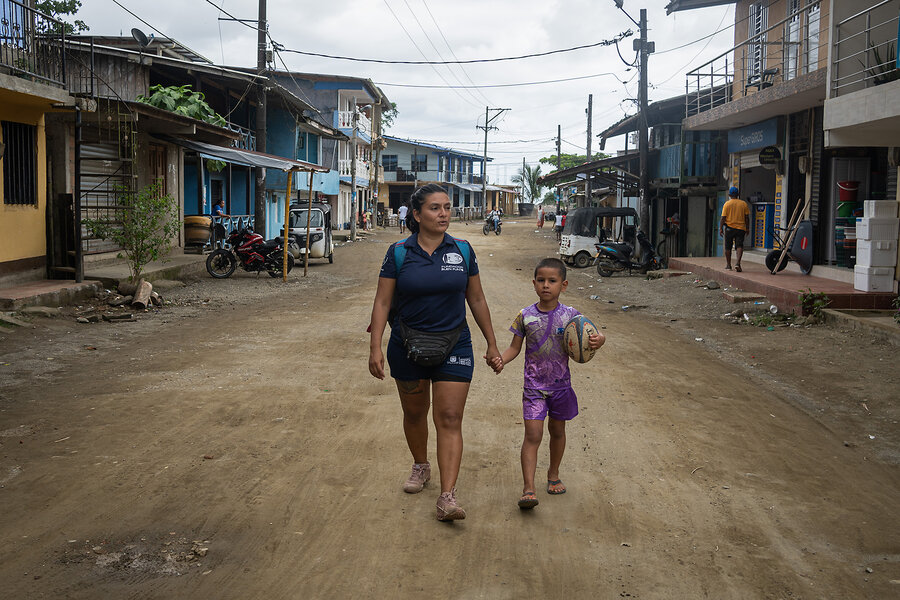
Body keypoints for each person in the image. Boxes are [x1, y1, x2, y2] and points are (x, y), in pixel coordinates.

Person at [368, 183, 502, 522]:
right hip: (406, 344)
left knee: (449, 418)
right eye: (435, 208)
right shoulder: (399, 252)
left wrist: (491, 342)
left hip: (455, 343)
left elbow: (477, 299)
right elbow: (383, 301)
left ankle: (447, 496)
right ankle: (421, 465)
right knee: (415, 415)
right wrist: (375, 347)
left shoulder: (463, 250)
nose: (444, 213)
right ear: (417, 214)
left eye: (447, 207)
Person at [495, 258, 604, 509]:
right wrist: (501, 360)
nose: (546, 285)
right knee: (533, 434)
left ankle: (553, 475)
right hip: (533, 388)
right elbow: (514, 348)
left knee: (558, 432)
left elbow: (594, 335)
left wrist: (601, 339)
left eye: (552, 281)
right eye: (541, 281)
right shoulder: (525, 315)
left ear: (563, 285)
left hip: (561, 387)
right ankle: (528, 488)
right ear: (534, 283)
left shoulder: (572, 317)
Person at [719, 186, 750, 272]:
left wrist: (720, 228)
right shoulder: (743, 204)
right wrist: (747, 228)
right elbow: (747, 218)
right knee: (739, 245)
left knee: (728, 247)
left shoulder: (727, 204)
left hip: (729, 228)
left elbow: (723, 218)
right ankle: (738, 263)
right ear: (738, 194)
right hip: (741, 228)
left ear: (729, 195)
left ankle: (728, 265)